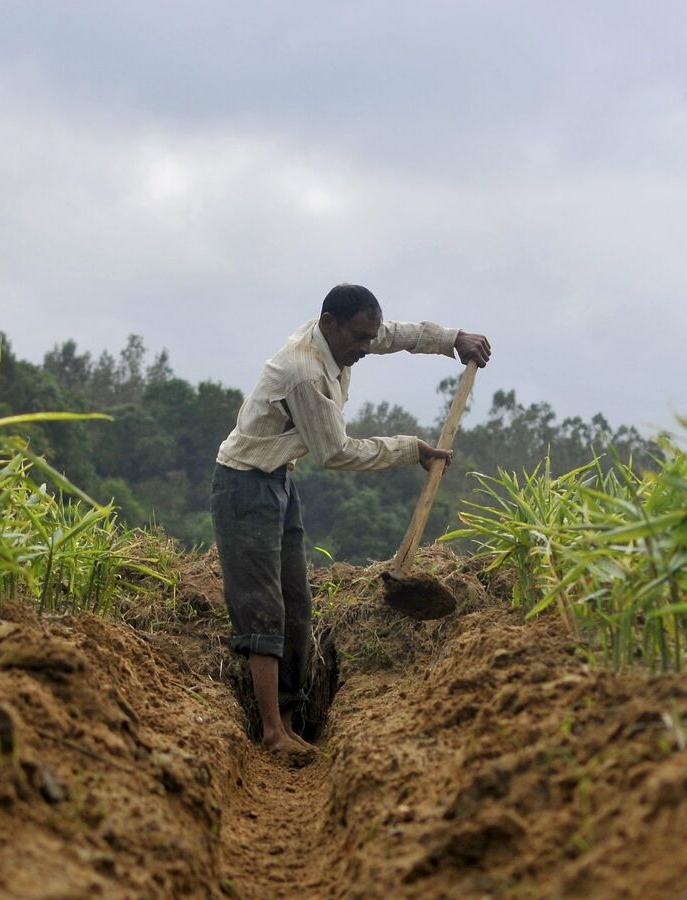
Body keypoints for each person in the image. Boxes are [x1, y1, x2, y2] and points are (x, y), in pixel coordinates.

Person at [211, 284, 492, 758]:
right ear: (329, 323)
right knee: (264, 608)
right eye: (359, 338)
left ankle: (289, 723)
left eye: (368, 336)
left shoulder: (340, 339)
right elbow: (335, 452)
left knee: (296, 603)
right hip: (243, 486)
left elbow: (394, 334)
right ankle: (271, 732)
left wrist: (452, 340)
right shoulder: (304, 372)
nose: (366, 347)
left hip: (277, 479)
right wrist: (411, 449)